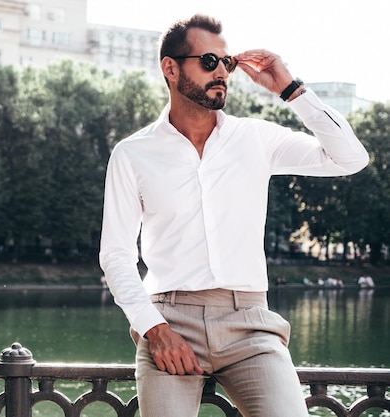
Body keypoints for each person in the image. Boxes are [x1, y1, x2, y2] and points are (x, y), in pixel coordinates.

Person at [98, 14, 369, 417]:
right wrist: (154, 328)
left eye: (226, 63)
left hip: (250, 324)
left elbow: (350, 158)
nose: (221, 72)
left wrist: (289, 88)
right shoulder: (132, 154)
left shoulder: (256, 138)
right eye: (208, 61)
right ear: (170, 68)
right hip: (170, 321)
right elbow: (116, 255)